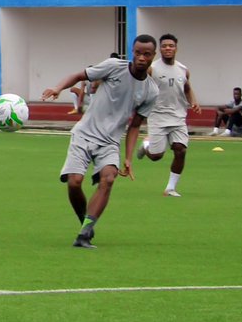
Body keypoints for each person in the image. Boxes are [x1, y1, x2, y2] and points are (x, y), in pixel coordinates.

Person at [41, 35, 159, 248]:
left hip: (110, 142)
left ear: (153, 56)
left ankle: (84, 235)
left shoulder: (151, 90)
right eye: (138, 52)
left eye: (147, 54)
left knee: (109, 179)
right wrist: (58, 88)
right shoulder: (114, 67)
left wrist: (129, 158)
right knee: (74, 182)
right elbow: (78, 75)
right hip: (84, 134)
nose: (142, 57)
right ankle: (85, 222)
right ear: (132, 51)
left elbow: (135, 126)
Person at [136, 34, 201, 197]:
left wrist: (193, 101)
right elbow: (140, 87)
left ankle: (170, 188)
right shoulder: (152, 68)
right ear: (160, 49)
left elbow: (187, 88)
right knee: (157, 156)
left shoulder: (183, 69)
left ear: (176, 48)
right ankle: (146, 145)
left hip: (178, 117)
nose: (168, 48)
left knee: (180, 150)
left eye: (171, 46)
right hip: (157, 116)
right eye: (164, 46)